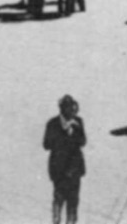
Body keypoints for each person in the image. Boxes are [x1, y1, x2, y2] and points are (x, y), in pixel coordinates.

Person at [43, 94, 86, 224]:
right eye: (69, 108)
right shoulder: (52, 123)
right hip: (59, 170)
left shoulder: (78, 121)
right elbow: (46, 144)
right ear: (62, 109)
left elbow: (83, 142)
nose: (72, 111)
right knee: (59, 200)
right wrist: (63, 133)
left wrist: (76, 129)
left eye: (73, 108)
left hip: (75, 169)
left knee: (73, 202)